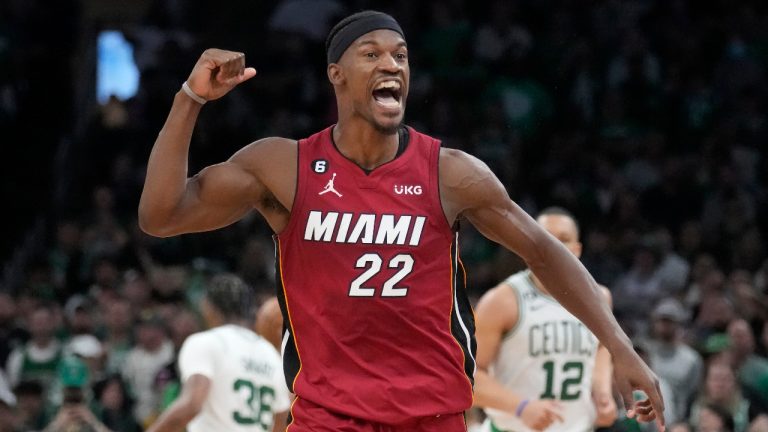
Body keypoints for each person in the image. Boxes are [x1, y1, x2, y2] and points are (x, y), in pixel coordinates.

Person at [138, 10, 665, 430]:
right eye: (372, 54)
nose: (392, 65)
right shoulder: (283, 166)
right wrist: (191, 100)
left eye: (402, 56)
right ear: (337, 76)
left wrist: (620, 347)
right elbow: (161, 216)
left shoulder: (452, 174)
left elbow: (543, 252)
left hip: (430, 417)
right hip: (328, 419)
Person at [473, 207, 618, 432]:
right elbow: (467, 379)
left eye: (564, 240)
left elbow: (601, 347)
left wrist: (602, 391)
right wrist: (521, 407)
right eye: (545, 238)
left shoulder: (600, 298)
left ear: (577, 249)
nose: (555, 247)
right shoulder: (502, 301)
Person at [146, 274, 290, 432]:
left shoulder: (204, 342)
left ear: (208, 307)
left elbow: (192, 404)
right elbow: (281, 420)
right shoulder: (270, 354)